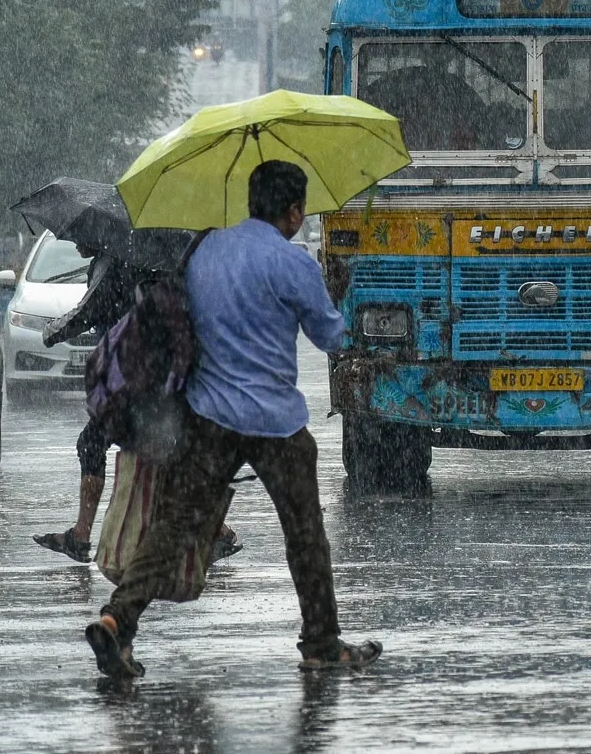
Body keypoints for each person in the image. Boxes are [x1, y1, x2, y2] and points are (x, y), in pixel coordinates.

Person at [83, 160, 381, 678]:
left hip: (209, 418)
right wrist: (338, 292)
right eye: (300, 211)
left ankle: (118, 619)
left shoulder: (203, 250)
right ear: (292, 212)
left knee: (175, 526)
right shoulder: (292, 264)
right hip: (277, 425)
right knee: (304, 534)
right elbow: (332, 338)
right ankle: (322, 641)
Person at [32, 246, 240, 564]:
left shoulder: (114, 263)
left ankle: (81, 536)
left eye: (79, 237)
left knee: (94, 444)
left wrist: (51, 333)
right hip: (164, 375)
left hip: (134, 379)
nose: (75, 244)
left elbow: (88, 310)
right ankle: (217, 532)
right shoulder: (163, 261)